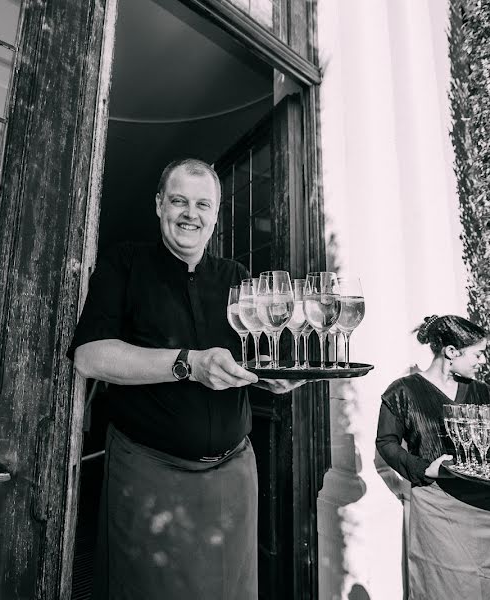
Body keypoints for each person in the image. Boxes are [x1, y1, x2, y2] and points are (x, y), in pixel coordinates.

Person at [68, 158, 303, 600]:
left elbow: (257, 354)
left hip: (234, 475)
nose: (190, 214)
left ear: (215, 215)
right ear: (159, 205)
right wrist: (189, 363)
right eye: (178, 201)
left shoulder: (236, 278)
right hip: (148, 474)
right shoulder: (124, 262)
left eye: (202, 204)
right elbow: (89, 357)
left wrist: (272, 375)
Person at [375, 314, 490, 600]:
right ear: (451, 352)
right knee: (447, 586)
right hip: (439, 510)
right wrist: (423, 468)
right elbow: (386, 442)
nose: (482, 361)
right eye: (477, 354)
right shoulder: (402, 392)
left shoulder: (482, 391)